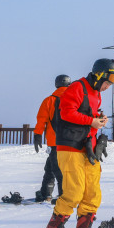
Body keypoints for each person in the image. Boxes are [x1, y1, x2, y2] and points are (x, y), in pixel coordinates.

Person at [44, 59, 114, 228]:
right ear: (99, 75)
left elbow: (87, 115)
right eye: (108, 81)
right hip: (70, 146)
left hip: (88, 147)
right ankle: (55, 225)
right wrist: (91, 121)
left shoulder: (96, 93)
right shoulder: (78, 87)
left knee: (92, 190)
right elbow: (66, 112)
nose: (109, 86)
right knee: (74, 190)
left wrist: (98, 119)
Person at [34, 74, 70, 202]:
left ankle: (63, 196)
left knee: (57, 170)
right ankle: (46, 193)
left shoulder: (49, 100)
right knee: (50, 167)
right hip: (71, 142)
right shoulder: (74, 100)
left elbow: (41, 120)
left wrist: (37, 135)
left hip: (54, 142)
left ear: (56, 84)